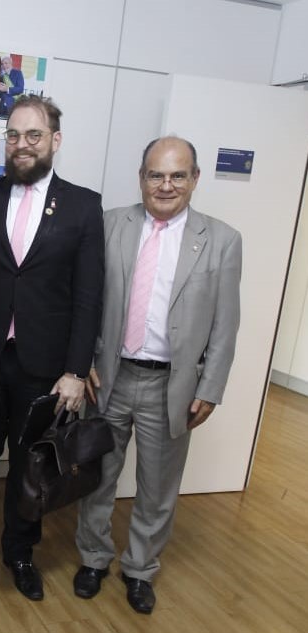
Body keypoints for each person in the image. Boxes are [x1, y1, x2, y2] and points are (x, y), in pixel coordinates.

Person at [0, 95, 104, 601]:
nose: (21, 145)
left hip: (45, 365)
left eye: (33, 135)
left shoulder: (82, 204)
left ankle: (20, 550)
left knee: (31, 464)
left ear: (55, 141)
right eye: (13, 135)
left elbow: (87, 295)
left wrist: (77, 371)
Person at [74, 136, 241, 614]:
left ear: (194, 180)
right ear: (141, 177)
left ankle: (140, 570)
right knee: (99, 476)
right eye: (156, 174)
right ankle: (93, 558)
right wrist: (82, 358)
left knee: (158, 487)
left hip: (173, 386)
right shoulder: (110, 226)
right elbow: (85, 300)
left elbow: (227, 323)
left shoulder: (223, 240)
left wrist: (211, 387)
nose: (165, 185)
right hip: (109, 377)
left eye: (177, 175)